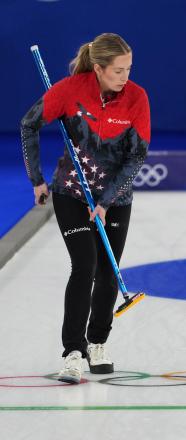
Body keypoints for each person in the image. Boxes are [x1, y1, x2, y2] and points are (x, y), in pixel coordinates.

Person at [20, 33, 150, 384]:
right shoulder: (68, 90)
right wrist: (37, 179)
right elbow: (29, 124)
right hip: (72, 192)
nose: (126, 77)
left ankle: (98, 343)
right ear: (98, 68)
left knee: (108, 270)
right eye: (118, 70)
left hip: (115, 197)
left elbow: (137, 155)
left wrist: (107, 200)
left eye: (129, 69)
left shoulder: (137, 97)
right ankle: (73, 351)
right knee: (85, 264)